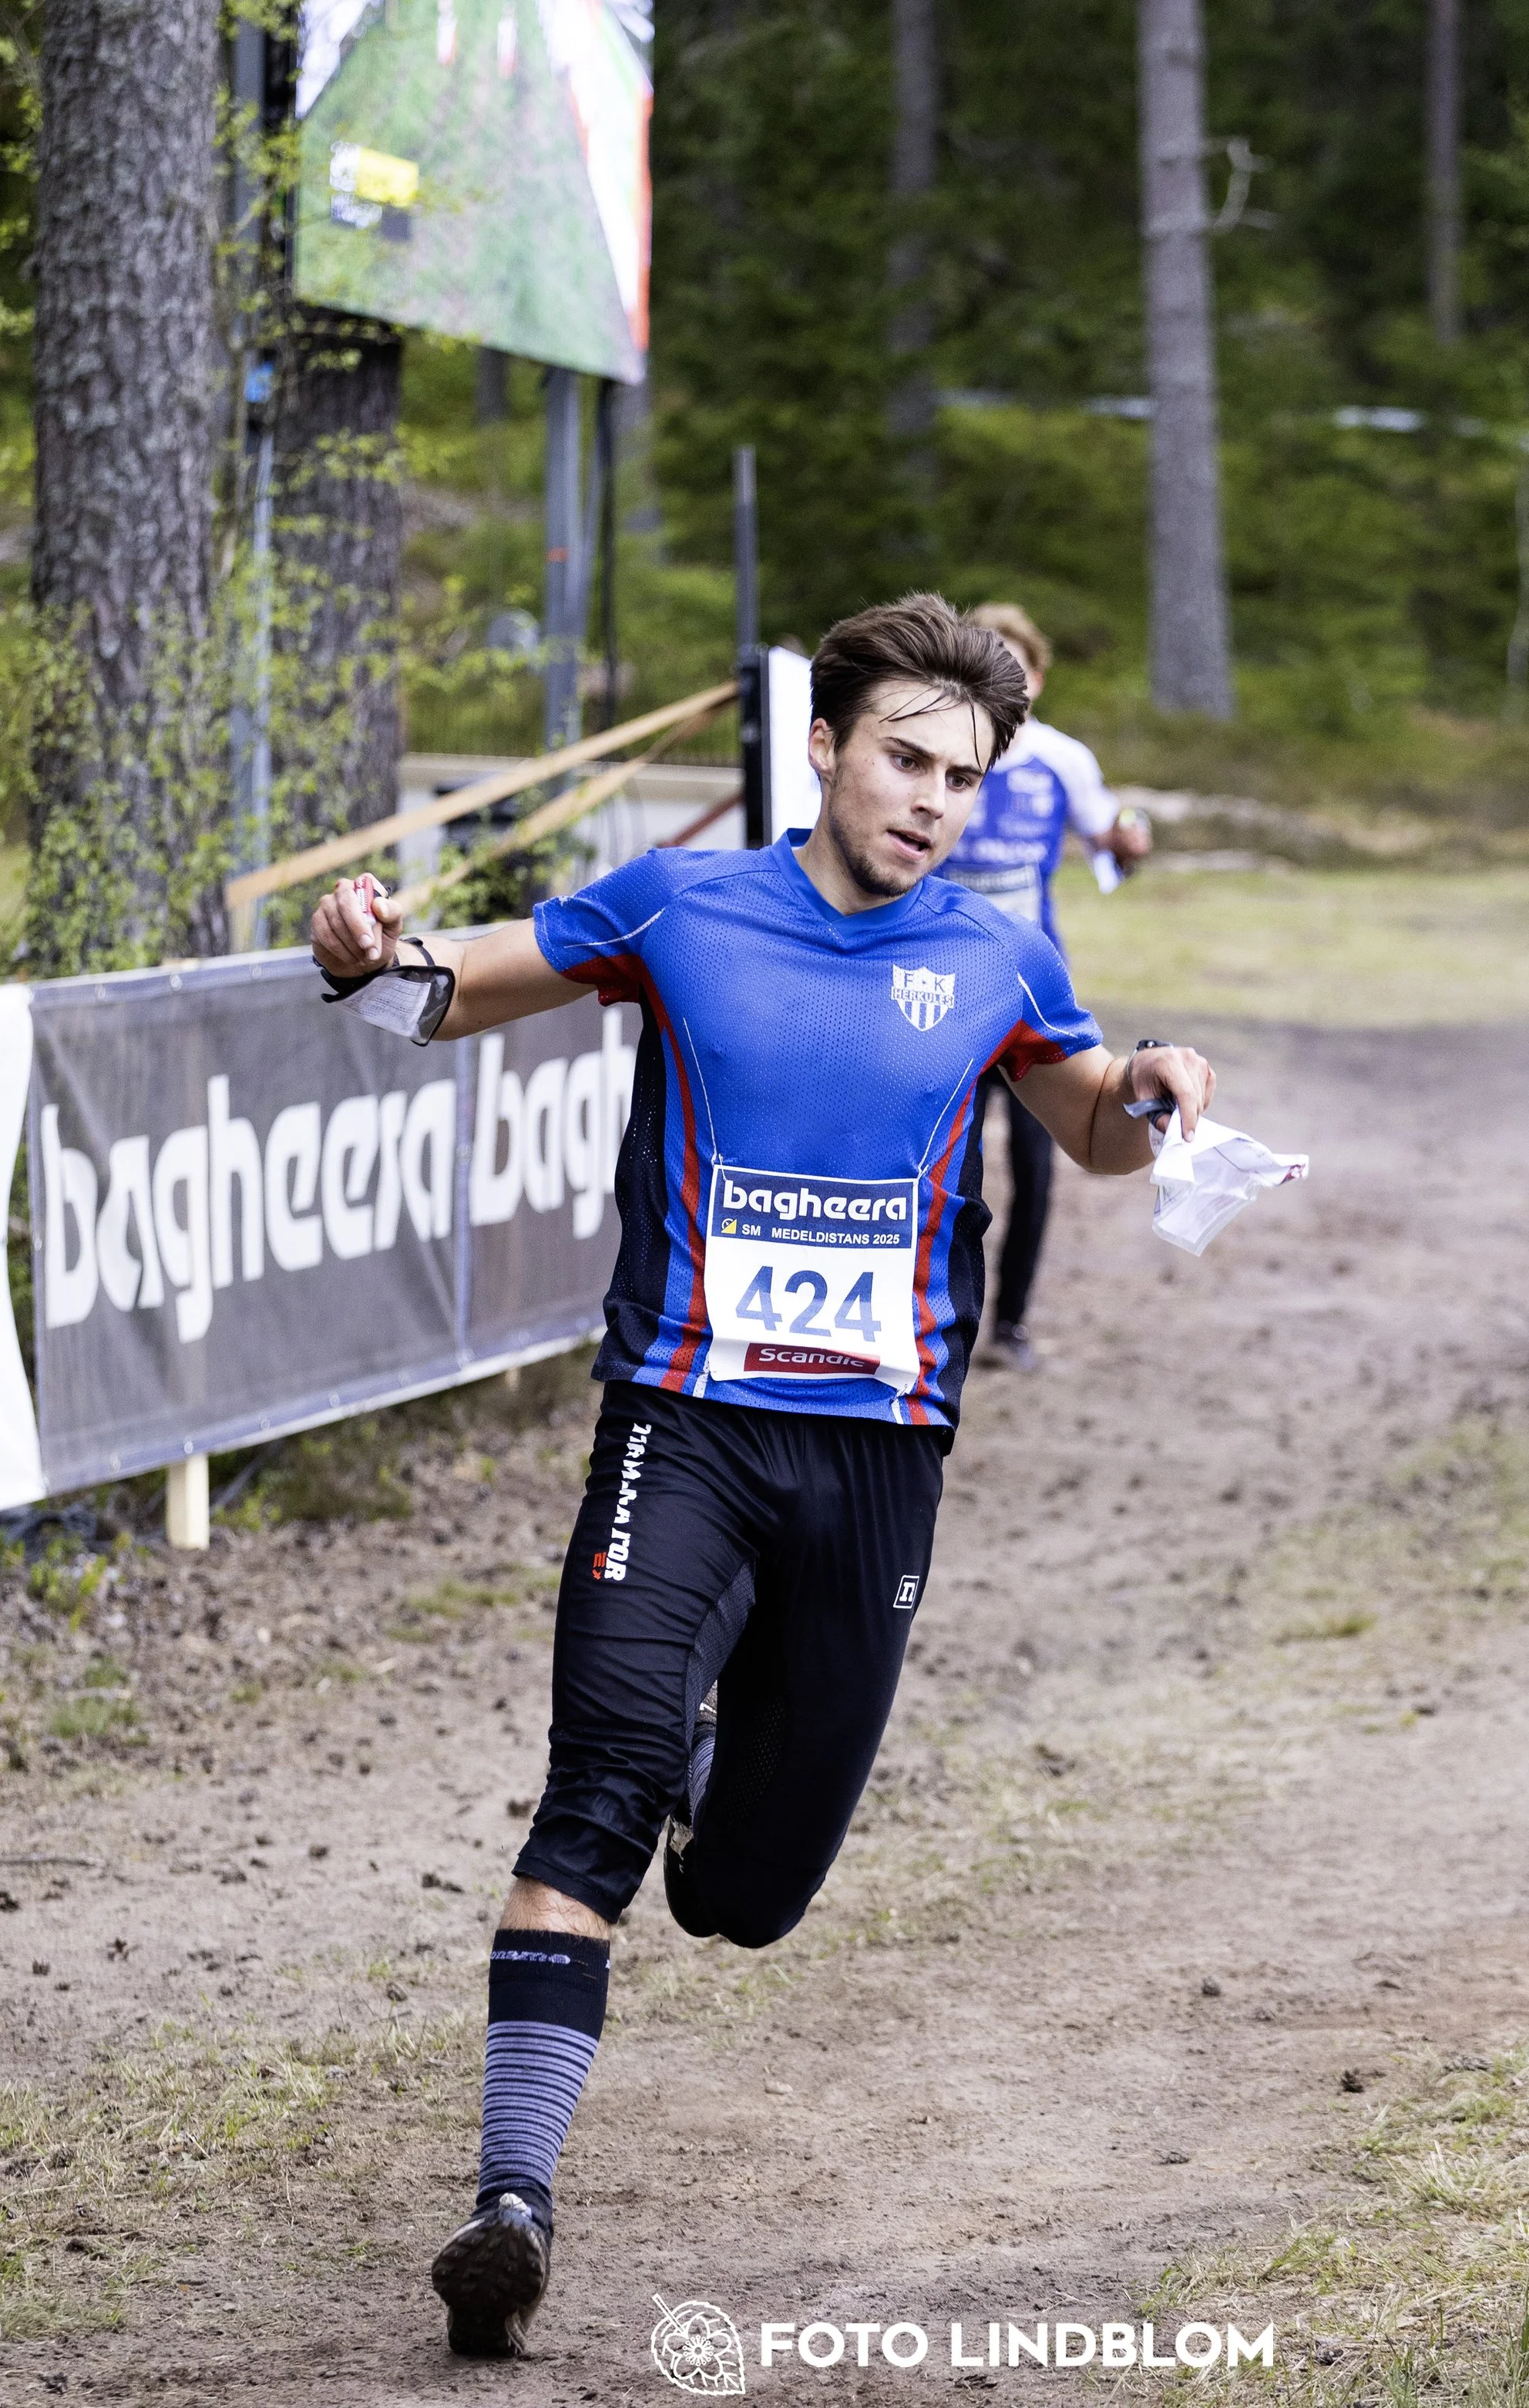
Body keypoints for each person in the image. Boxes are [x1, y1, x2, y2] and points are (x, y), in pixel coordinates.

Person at [307, 593, 1216, 2360]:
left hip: (875, 1464)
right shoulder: (682, 905)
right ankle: (510, 2204)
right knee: (594, 1792)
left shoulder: (999, 956)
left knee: (744, 1894)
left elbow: (1095, 1125)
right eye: (904, 759)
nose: (932, 800)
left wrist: (1155, 1087)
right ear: (822, 744)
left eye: (962, 776)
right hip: (685, 1422)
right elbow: (443, 990)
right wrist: (363, 950)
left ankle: (704, 1760)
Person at [933, 603, 1151, 1370]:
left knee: (1036, 1164)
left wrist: (1130, 838)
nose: (1000, 676)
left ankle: (1012, 1325)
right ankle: (939, 1324)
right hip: (938, 997)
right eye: (983, 657)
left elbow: (1111, 837)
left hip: (1031, 997)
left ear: (1038, 677)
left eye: (1015, 664)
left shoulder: (1062, 758)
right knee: (943, 1168)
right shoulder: (938, 749)